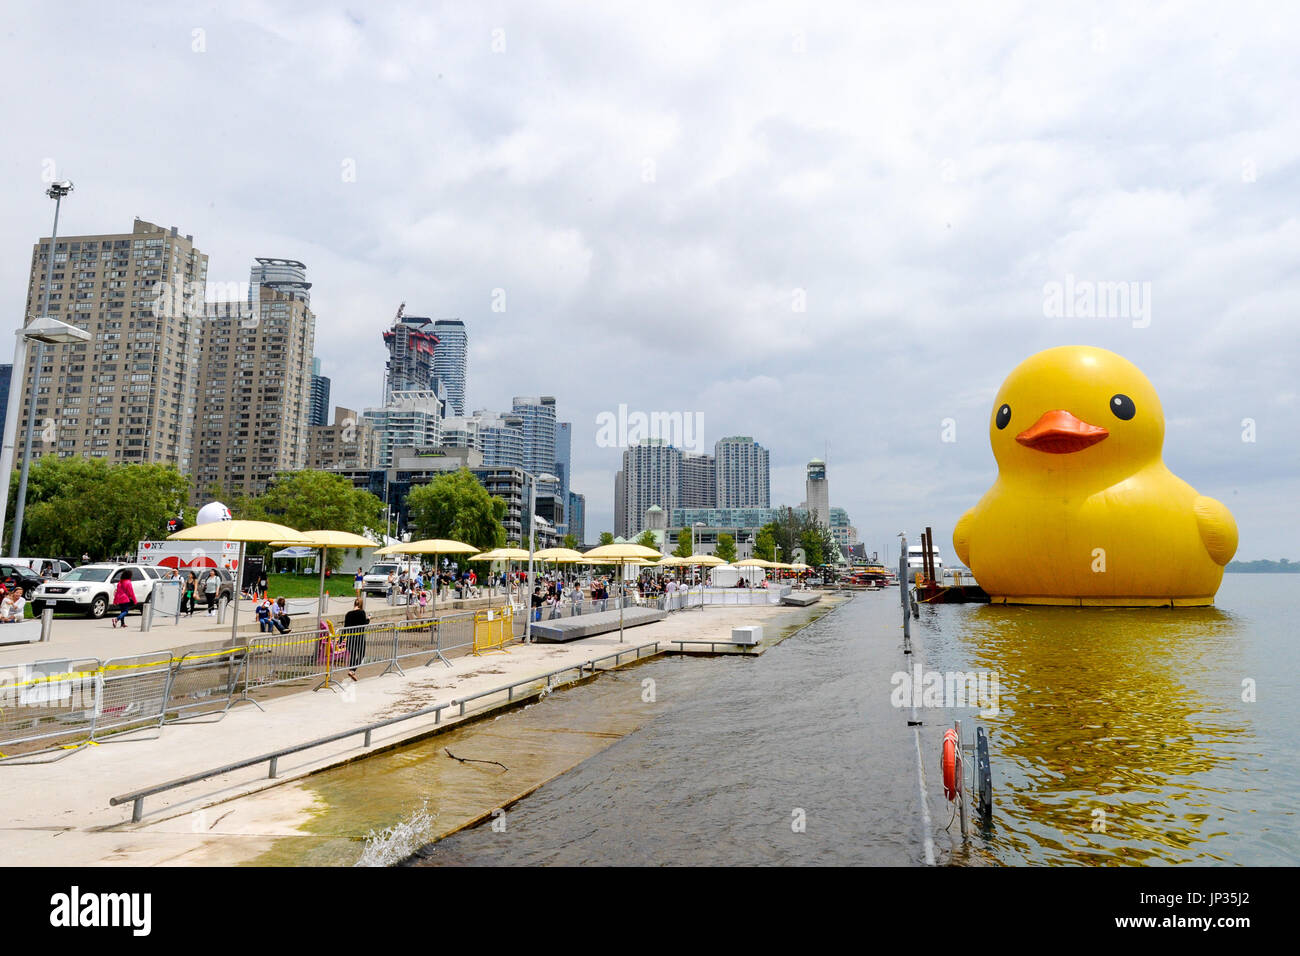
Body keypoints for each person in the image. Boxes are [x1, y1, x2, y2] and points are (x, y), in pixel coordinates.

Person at [343, 597, 369, 680]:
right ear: (361, 604)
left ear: (354, 603)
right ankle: (352, 670)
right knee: (361, 655)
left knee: (353, 655)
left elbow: (345, 628)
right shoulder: (362, 612)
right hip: (359, 637)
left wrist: (340, 640)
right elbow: (364, 624)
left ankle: (352, 671)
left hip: (350, 637)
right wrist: (368, 619)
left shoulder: (348, 614)